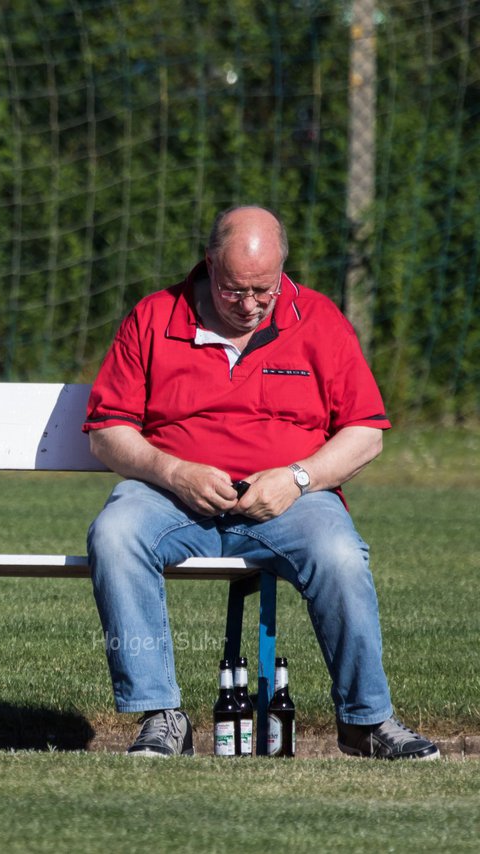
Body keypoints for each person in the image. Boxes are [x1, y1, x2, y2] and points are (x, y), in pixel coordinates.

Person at [83, 205, 440, 760]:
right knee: (114, 533)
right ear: (208, 265)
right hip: (171, 497)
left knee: (342, 556)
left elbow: (366, 432)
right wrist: (174, 471)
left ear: (282, 274)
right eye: (233, 291)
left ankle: (366, 720)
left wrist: (298, 479)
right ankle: (162, 716)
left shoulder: (319, 319)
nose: (249, 305)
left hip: (292, 501)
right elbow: (107, 431)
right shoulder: (154, 317)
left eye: (264, 290)